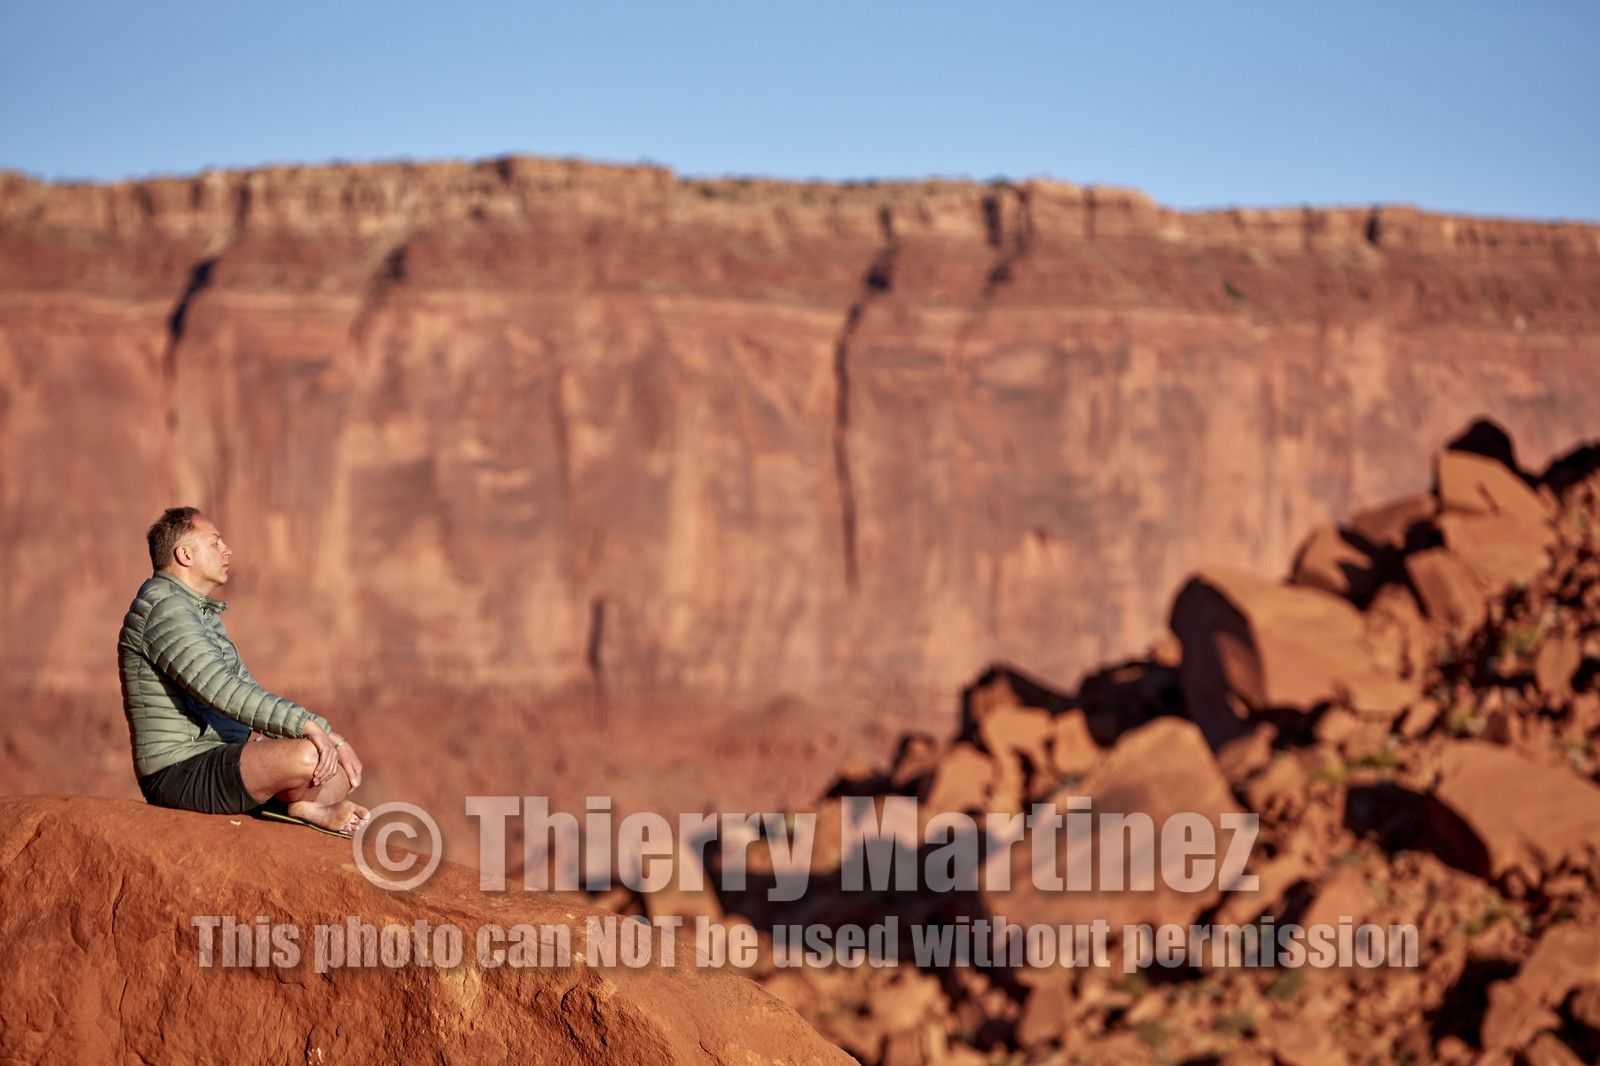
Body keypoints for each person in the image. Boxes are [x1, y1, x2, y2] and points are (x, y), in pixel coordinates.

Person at [118, 506, 370, 835]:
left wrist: (332, 738)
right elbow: (224, 691)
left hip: (220, 757)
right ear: (184, 554)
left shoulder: (199, 611)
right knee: (308, 758)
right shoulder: (165, 608)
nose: (227, 550)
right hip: (177, 771)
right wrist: (313, 729)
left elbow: (247, 689)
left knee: (339, 771)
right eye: (215, 543)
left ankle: (298, 808)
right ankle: (297, 807)